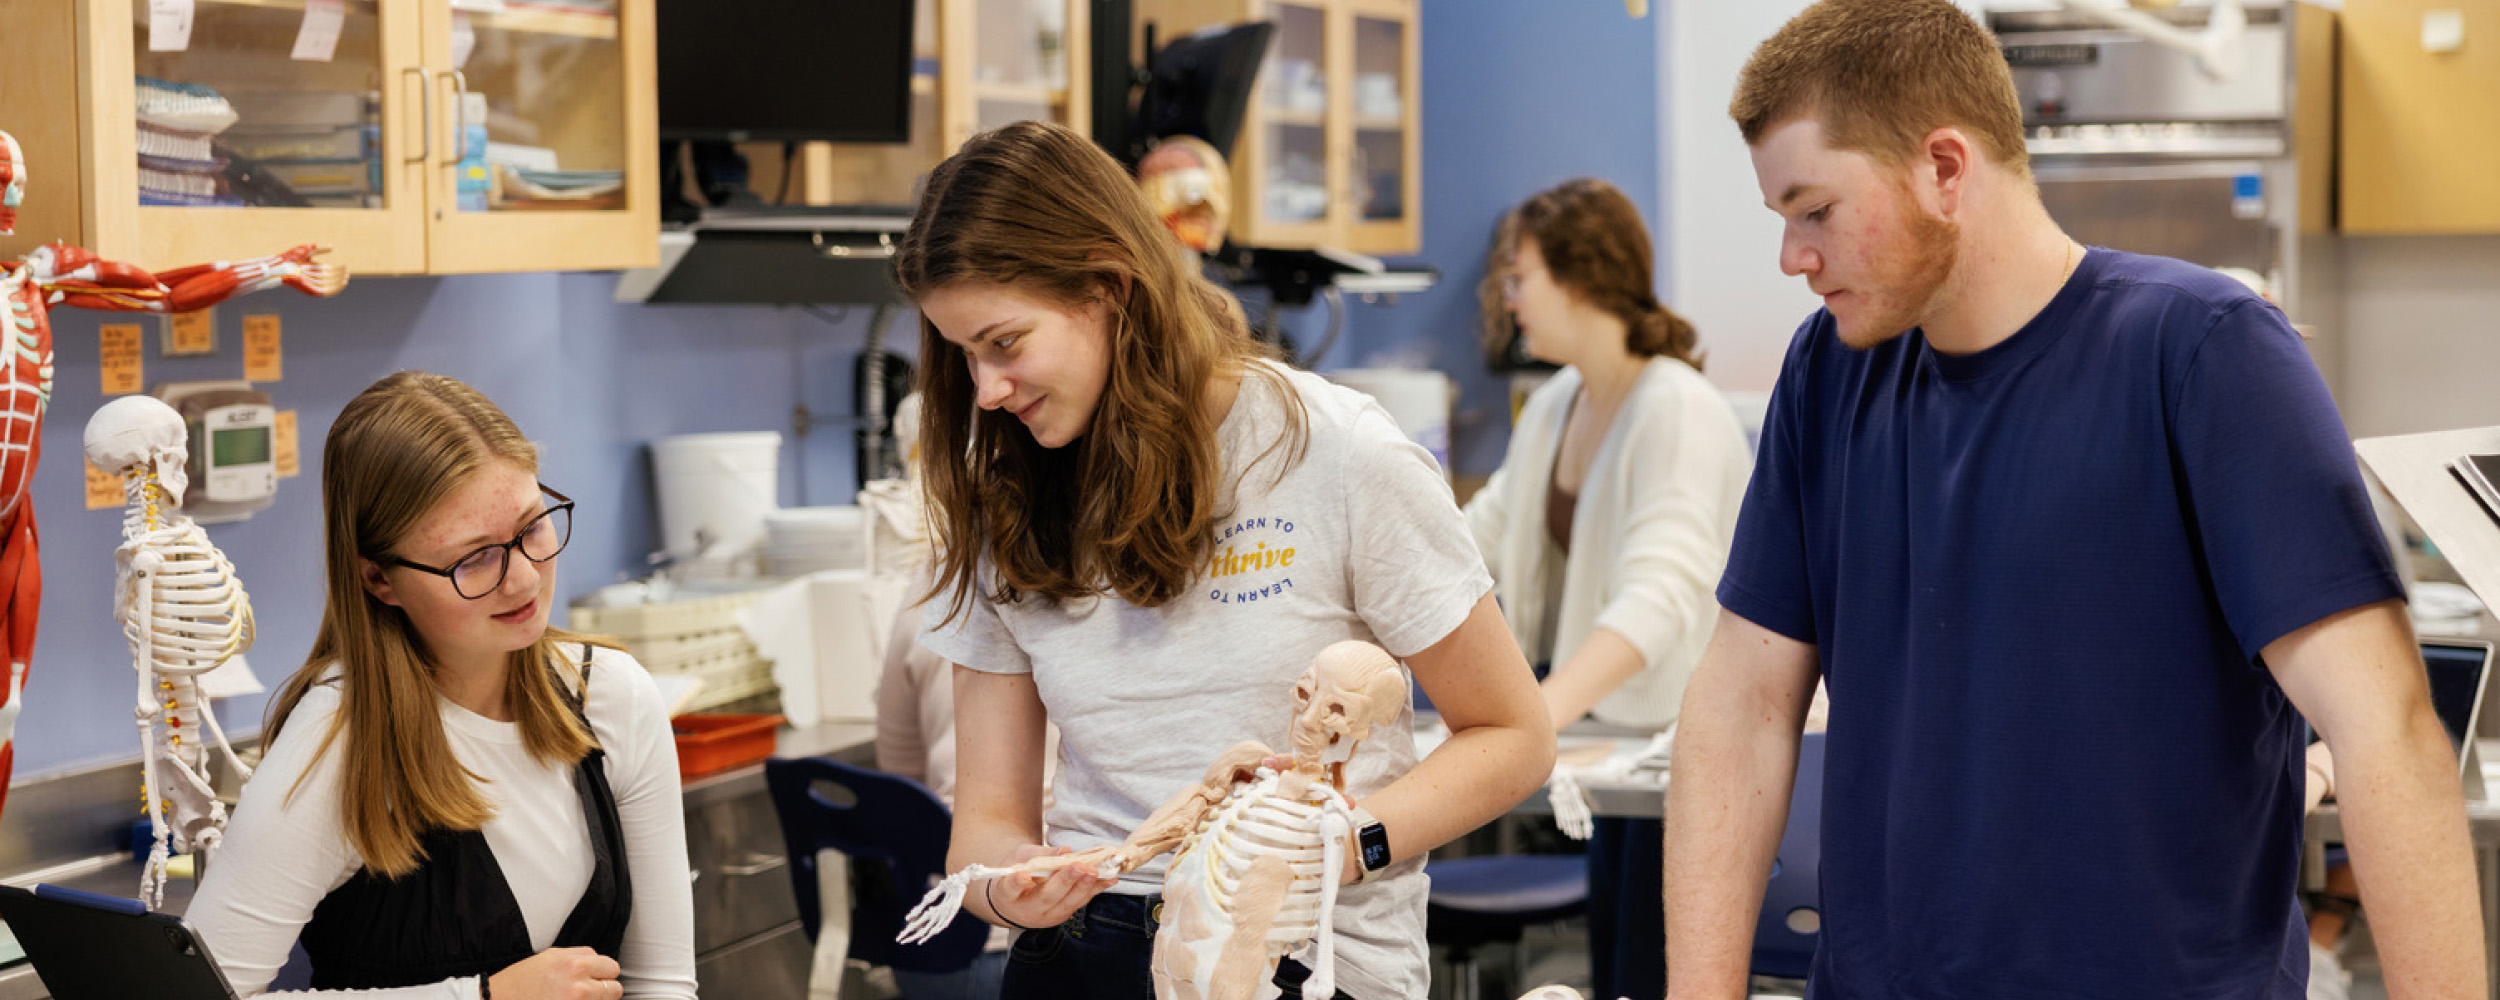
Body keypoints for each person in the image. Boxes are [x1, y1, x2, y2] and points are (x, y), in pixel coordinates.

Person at [1661, 2, 2486, 998]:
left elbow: (2383, 729)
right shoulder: (1830, 375)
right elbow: (1740, 704)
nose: (1793, 256)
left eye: (1815, 210)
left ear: (1945, 168)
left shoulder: (2203, 354)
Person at [895, 119, 1556, 1000]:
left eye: (1005, 343)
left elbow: (1513, 737)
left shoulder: (1337, 453)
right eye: (962, 353)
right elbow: (984, 822)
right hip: (1085, 953)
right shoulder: (1005, 493)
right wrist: (1014, 888)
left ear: (1108, 287)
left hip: (1305, 954)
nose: (985, 389)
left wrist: (1340, 847)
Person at [190, 372, 697, 1000]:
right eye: (472, 559)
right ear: (379, 580)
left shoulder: (609, 695)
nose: (522, 579)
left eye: (533, 527)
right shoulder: (339, 742)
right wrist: (481, 998)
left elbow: (664, 986)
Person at [1462, 178, 1752, 1000]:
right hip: (1609, 750)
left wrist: (1531, 717)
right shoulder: (1558, 404)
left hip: (1677, 755)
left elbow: (1660, 594)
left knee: (1656, 973)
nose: (1509, 300)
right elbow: (1470, 542)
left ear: (1581, 277)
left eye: (1521, 278)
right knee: (1622, 967)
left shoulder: (1678, 409)